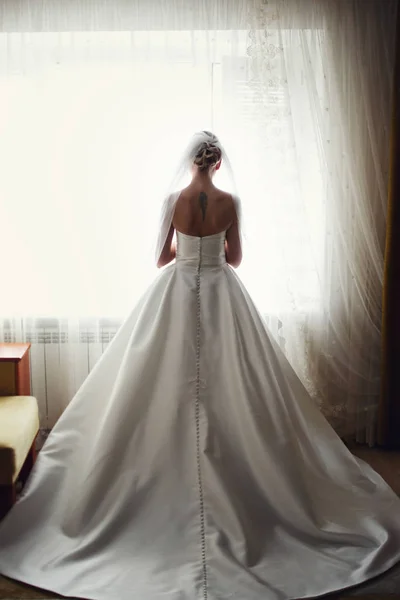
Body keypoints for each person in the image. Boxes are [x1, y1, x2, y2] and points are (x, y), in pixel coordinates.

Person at [0, 131, 400, 600]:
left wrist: (184, 253)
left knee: (154, 389)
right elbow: (235, 258)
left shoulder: (174, 199)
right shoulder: (231, 201)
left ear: (189, 161)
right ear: (218, 162)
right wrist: (210, 253)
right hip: (220, 292)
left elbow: (159, 258)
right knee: (238, 386)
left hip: (175, 290)